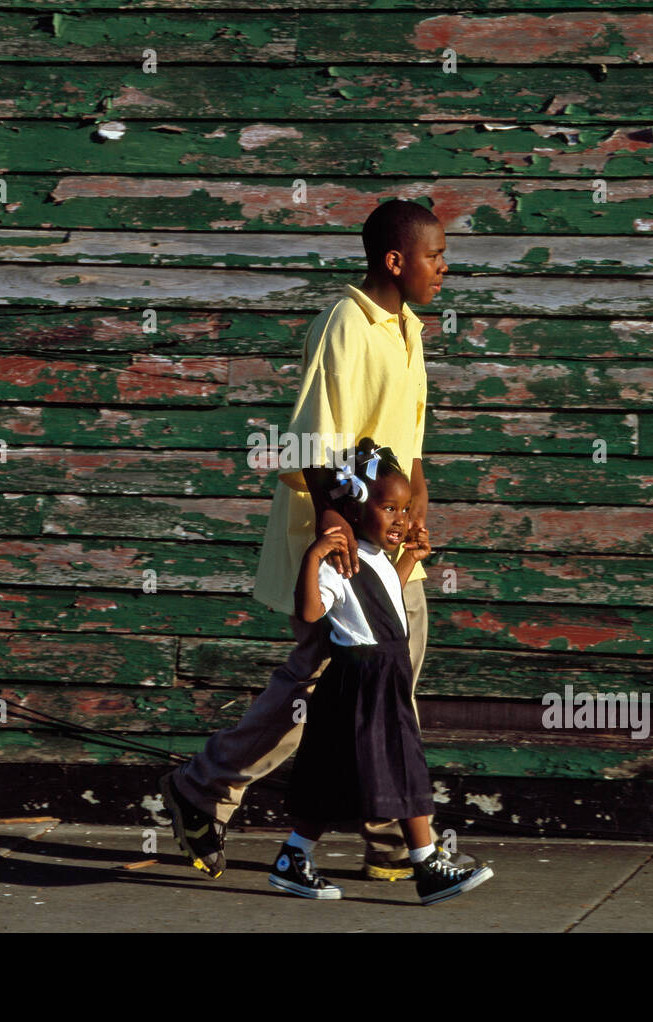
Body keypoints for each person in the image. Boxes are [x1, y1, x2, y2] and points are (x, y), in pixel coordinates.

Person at [160, 199, 473, 880]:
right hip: (346, 549)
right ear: (396, 260)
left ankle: (390, 840)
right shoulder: (346, 325)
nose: (445, 268)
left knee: (390, 688)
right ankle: (203, 788)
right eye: (435, 256)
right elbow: (313, 441)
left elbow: (404, 443)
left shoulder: (406, 327)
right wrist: (339, 536)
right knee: (319, 694)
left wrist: (418, 496)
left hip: (390, 545)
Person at [270, 439, 494, 905]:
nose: (402, 519)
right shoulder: (340, 561)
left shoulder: (375, 558)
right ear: (354, 509)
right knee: (402, 766)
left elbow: (388, 591)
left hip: (384, 678)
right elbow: (311, 614)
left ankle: (294, 856)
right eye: (389, 508)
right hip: (361, 683)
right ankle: (427, 863)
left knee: (334, 776)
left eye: (406, 508)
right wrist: (313, 557)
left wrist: (412, 558)